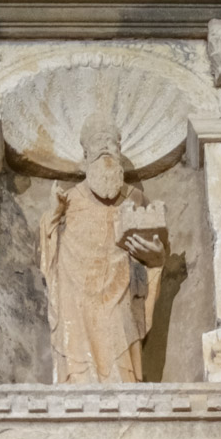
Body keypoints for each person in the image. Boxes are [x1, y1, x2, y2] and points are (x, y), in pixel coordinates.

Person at [40, 113, 167, 383]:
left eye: (112, 146)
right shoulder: (69, 200)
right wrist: (52, 216)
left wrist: (155, 260)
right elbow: (49, 254)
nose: (106, 150)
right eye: (98, 147)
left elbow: (155, 253)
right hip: (75, 298)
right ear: (84, 158)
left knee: (119, 337)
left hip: (121, 293)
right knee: (78, 350)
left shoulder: (136, 199)